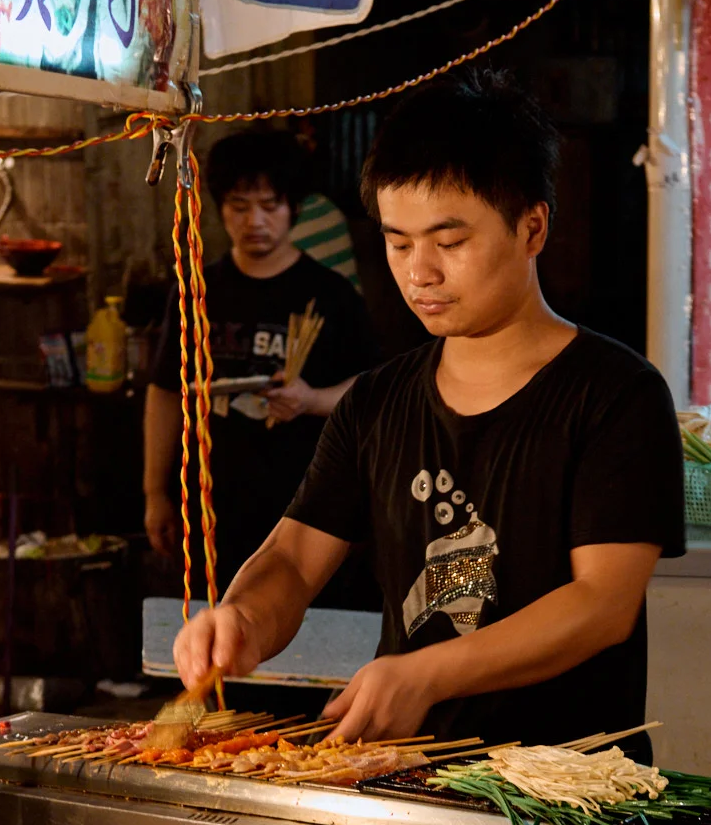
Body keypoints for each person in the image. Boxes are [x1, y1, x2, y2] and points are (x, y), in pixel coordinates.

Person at [170, 70, 683, 749]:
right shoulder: (376, 403)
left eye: (450, 242)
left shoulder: (617, 395)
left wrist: (427, 674)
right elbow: (293, 560)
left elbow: (602, 605)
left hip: (572, 796)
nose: (420, 273)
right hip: (410, 789)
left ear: (532, 228)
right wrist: (242, 618)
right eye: (399, 242)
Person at [144, 127, 376, 605]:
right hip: (210, 504)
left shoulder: (331, 295)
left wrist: (312, 400)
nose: (255, 221)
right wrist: (154, 492)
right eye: (239, 206)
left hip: (305, 509)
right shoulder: (194, 292)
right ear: (220, 208)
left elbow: (371, 393)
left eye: (270, 206)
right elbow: (168, 392)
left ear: (292, 207)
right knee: (217, 640)